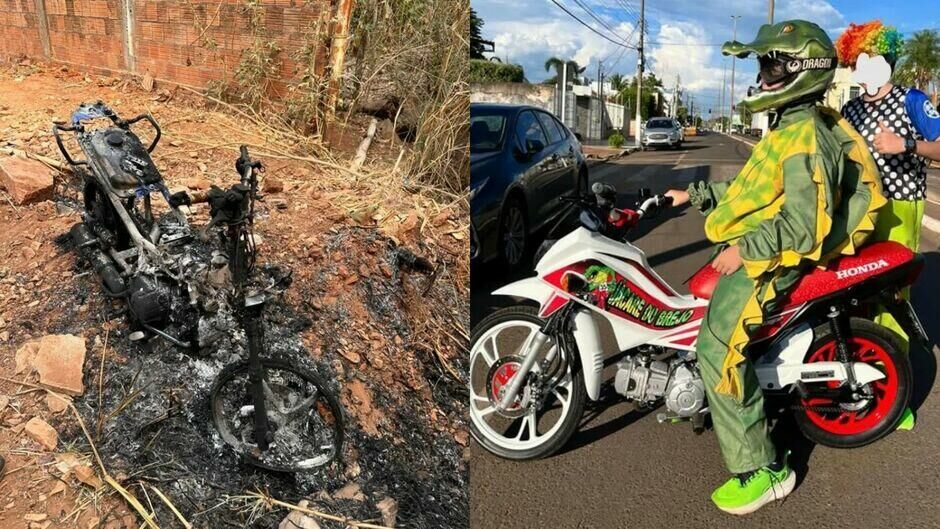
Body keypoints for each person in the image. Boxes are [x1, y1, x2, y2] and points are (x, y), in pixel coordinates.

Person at [665, 20, 885, 515]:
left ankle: (763, 471)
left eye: (774, 64)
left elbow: (803, 226)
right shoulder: (788, 126)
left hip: (774, 257)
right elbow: (755, 194)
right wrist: (693, 194)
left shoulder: (805, 135)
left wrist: (744, 251)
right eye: (763, 64)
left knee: (717, 348)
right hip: (761, 244)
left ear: (804, 70)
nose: (764, 75)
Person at [835, 21, 940, 430]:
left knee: (891, 300)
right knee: (853, 298)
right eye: (859, 61)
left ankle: (895, 399)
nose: (865, 68)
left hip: (900, 210)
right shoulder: (851, 109)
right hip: (860, 211)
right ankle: (858, 381)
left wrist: (906, 145)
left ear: (888, 62)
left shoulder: (912, 100)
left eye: (873, 60)